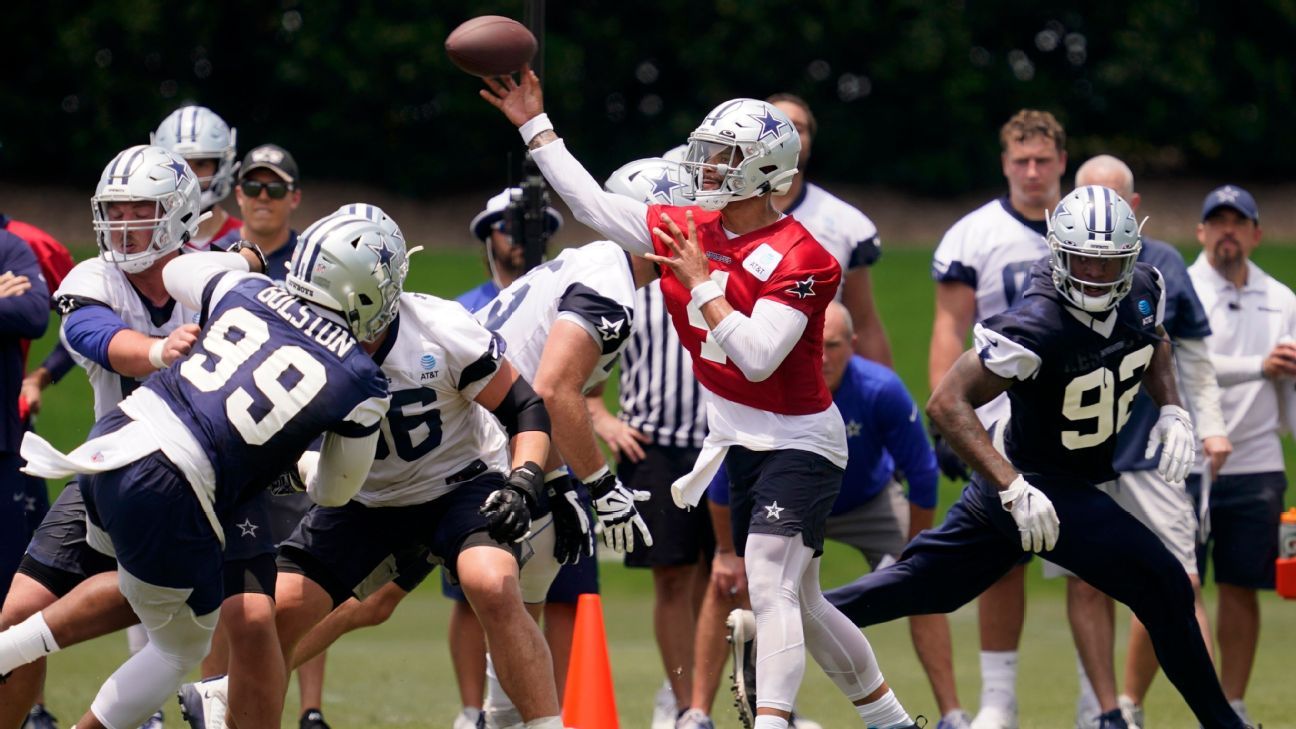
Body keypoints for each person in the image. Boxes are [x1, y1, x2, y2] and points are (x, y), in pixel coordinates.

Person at [483, 68, 921, 729]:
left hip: (799, 440)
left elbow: (757, 353)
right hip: (737, 445)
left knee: (768, 575)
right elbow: (593, 205)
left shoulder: (806, 257)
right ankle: (891, 719)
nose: (707, 166)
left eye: (725, 156)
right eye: (708, 151)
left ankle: (771, 721)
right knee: (801, 601)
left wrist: (700, 281)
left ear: (766, 168)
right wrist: (533, 124)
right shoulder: (692, 225)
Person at [826, 185, 1253, 729]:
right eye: (1083, 262)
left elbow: (1155, 337)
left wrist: (1172, 408)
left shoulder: (1145, 287)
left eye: (1109, 264)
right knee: (1164, 581)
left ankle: (787, 619)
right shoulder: (1037, 323)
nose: (1097, 276)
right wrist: (1012, 485)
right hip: (1037, 482)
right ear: (1058, 252)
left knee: (930, 585)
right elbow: (945, 402)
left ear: (1132, 257)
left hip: (1042, 483)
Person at [0, 190, 396, 729]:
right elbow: (333, 492)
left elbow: (181, 274)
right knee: (180, 648)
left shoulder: (243, 285)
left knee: (147, 591)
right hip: (179, 483)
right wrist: (292, 464)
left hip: (114, 444)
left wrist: (242, 259)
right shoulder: (363, 381)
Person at [0, 145, 273, 729]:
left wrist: (246, 260)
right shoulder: (92, 278)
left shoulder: (211, 278)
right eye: (114, 211)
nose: (123, 225)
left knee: (252, 623)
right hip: (114, 469)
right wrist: (156, 351)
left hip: (218, 483)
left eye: (139, 209)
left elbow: (251, 279)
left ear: (178, 213)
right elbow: (94, 335)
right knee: (15, 618)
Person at [1045, 156, 1229, 729]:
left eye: (1114, 201)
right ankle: (1106, 712)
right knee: (1086, 584)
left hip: (1149, 450)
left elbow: (1190, 353)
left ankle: (1196, 711)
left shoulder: (1164, 264)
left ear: (1135, 206)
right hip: (1075, 451)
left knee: (1181, 581)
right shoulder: (1049, 266)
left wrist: (1208, 423)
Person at [714, 300, 941, 729]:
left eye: (832, 345)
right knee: (795, 599)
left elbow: (923, 471)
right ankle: (692, 708)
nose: (822, 356)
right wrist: (724, 550)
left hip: (863, 498)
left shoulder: (877, 387)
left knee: (778, 591)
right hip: (775, 486)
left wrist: (917, 547)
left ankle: (953, 710)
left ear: (851, 345)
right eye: (814, 345)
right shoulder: (758, 376)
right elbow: (720, 483)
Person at [928, 109, 1066, 729]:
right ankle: (1000, 700)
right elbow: (948, 329)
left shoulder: (1085, 223)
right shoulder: (974, 234)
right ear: (1005, 163)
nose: (1032, 172)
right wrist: (949, 416)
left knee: (1090, 562)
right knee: (1002, 558)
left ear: (1061, 161)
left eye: (1042, 160)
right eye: (1021, 161)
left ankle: (1101, 701)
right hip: (1001, 420)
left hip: (1078, 416)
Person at [586, 157, 711, 729]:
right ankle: (682, 699)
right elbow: (584, 379)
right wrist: (603, 419)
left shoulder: (707, 269)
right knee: (672, 574)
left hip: (719, 441)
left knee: (724, 576)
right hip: (653, 442)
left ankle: (708, 693)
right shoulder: (621, 283)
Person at [1184, 185, 1295, 727]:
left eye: (1238, 222)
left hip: (1257, 461)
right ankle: (1129, 704)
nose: (1227, 231)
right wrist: (1260, 365)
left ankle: (1234, 706)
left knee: (1241, 586)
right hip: (1184, 463)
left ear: (1255, 234)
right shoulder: (1180, 289)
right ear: (1201, 232)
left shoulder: (1283, 299)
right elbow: (1191, 367)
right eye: (1217, 221)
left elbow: (1290, 388)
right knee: (1176, 586)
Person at [765, 94, 892, 366]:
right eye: (776, 126)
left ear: (809, 142)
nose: (787, 135)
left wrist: (885, 394)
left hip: (816, 375)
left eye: (798, 128)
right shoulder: (721, 213)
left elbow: (863, 322)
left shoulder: (845, 223)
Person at [150, 105, 243, 249]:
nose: (189, 177)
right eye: (179, 166)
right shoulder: (146, 242)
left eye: (201, 164)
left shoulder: (246, 239)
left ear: (222, 167)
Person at [458, 187, 563, 312]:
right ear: (489, 238)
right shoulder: (466, 309)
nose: (520, 237)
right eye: (508, 228)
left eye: (530, 228)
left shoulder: (562, 304)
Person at [213, 144, 301, 279]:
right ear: (239, 195)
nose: (263, 197)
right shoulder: (216, 255)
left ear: (295, 198)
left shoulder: (307, 261)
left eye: (275, 188)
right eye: (252, 187)